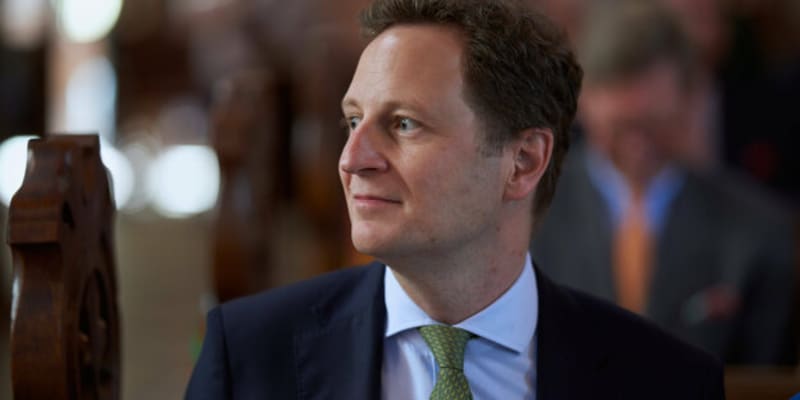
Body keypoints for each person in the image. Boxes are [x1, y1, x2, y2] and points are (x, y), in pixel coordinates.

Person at [186, 0, 724, 398]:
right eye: (352, 121)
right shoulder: (248, 356)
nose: (352, 159)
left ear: (523, 162)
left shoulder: (667, 381)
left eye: (403, 124)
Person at [531, 1, 797, 366]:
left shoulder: (759, 231)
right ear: (583, 99)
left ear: (690, 100)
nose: (638, 145)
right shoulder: (527, 214)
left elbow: (768, 378)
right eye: (621, 126)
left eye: (655, 123)